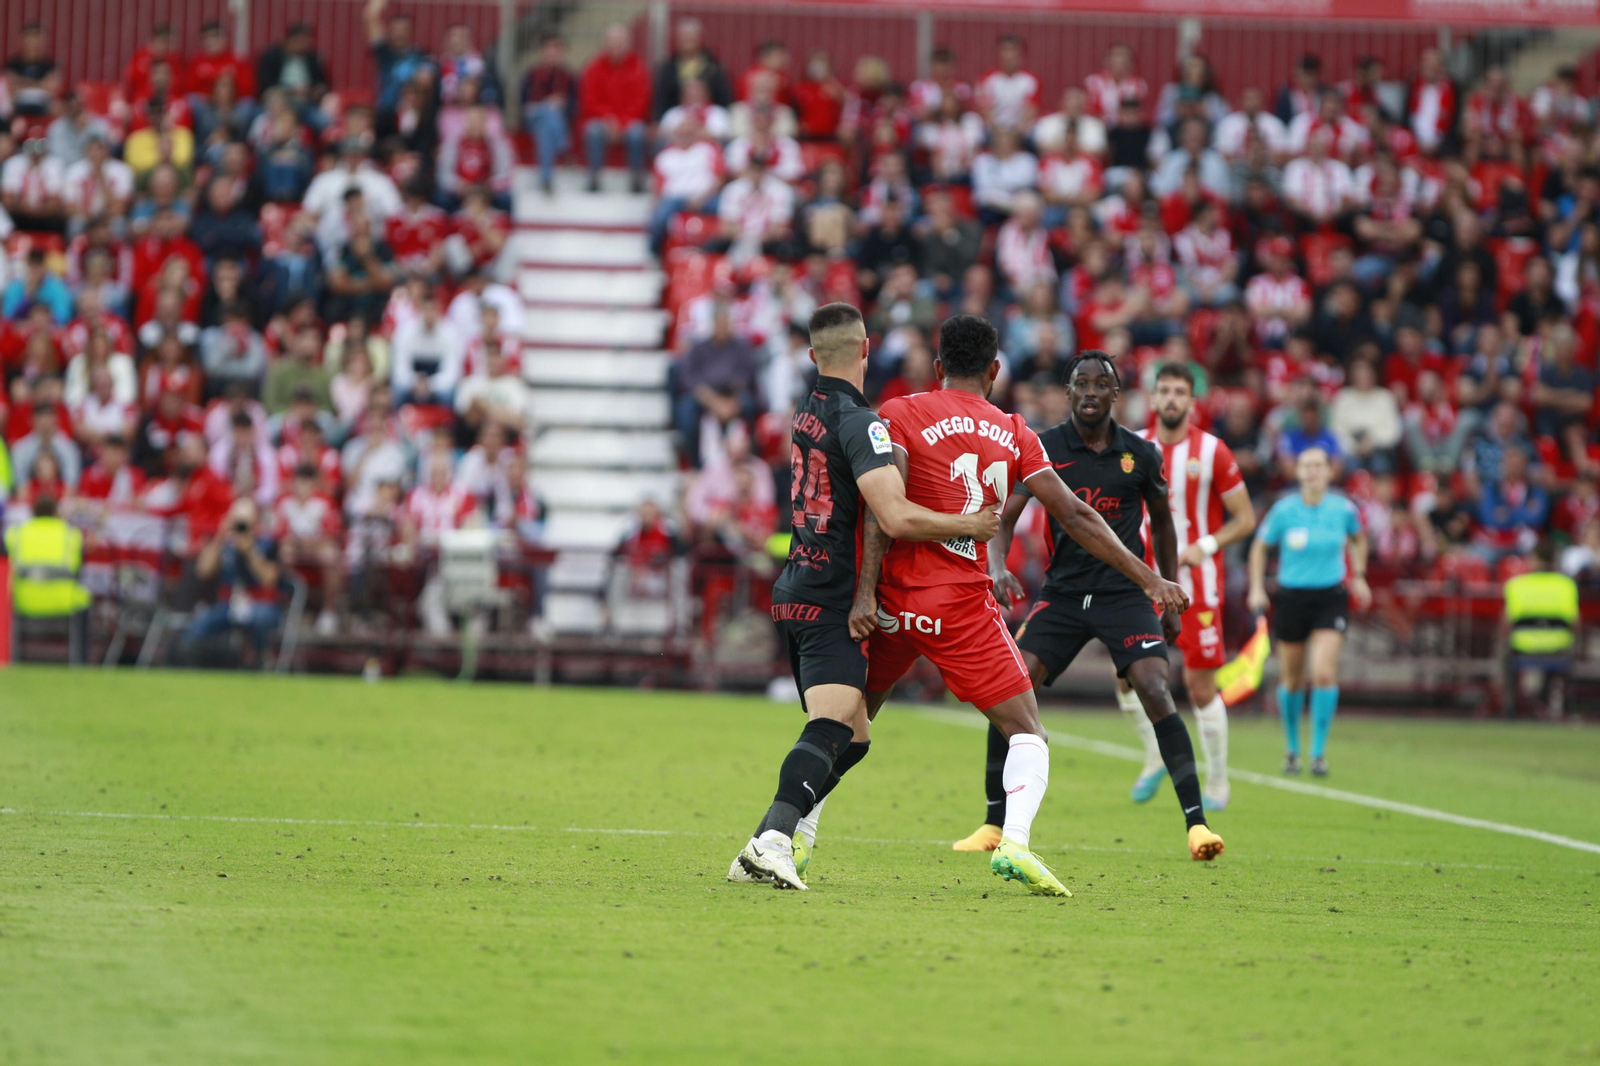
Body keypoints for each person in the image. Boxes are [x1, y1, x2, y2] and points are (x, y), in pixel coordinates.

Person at [848, 316, 1187, 892]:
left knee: (849, 727)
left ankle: (788, 835)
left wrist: (864, 592)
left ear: (937, 367)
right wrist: (1149, 577)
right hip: (958, 604)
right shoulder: (1015, 431)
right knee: (1028, 731)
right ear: (995, 370)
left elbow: (886, 512)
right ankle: (1016, 842)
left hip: (894, 602)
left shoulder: (900, 412)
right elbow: (1077, 515)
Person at [728, 303, 1001, 891]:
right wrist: (968, 525)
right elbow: (895, 515)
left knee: (854, 737)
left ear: (811, 357)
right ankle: (773, 842)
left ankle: (762, 838)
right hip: (830, 597)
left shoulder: (805, 410)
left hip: (794, 588)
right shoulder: (863, 423)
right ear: (867, 349)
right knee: (830, 728)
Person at [978, 351, 1224, 862]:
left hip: (1125, 595)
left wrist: (1168, 589)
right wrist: (997, 564)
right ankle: (992, 824)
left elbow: (1163, 523)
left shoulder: (1140, 454)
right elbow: (1005, 516)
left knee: (1156, 688)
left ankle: (1197, 826)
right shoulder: (1044, 448)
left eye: (1100, 385)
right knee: (1011, 686)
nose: (1090, 392)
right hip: (1063, 593)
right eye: (1080, 384)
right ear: (1068, 393)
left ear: (1117, 395)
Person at [1106, 363, 1257, 810]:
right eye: (1164, 391)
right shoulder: (1131, 447)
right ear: (1153, 399)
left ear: (1193, 402)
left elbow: (1245, 519)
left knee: (1200, 685)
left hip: (1198, 586)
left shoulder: (1214, 452)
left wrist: (1206, 544)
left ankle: (1217, 782)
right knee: (1125, 678)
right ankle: (1154, 757)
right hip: (1140, 582)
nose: (1172, 399)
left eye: (1180, 392)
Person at [1248, 446, 1371, 776]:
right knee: (1291, 678)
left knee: (1323, 672)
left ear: (1330, 472)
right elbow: (1260, 547)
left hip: (1331, 595)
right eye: (1306, 465)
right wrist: (1257, 586)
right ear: (1297, 472)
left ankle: (1318, 752)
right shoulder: (1284, 510)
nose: (1313, 471)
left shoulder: (1343, 508)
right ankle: (1292, 748)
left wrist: (1359, 576)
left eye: (1319, 465)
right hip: (1292, 596)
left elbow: (1359, 540)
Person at [5, 494, 92, 663]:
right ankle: (81, 661)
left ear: (32, 513)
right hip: (63, 602)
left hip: (23, 602)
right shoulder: (71, 534)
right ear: (56, 513)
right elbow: (78, 572)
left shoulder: (17, 533)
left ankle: (12, 659)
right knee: (86, 599)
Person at [579, 24, 651, 193]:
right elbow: (589, 100)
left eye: (620, 42)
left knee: (637, 132)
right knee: (592, 131)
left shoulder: (639, 69)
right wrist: (608, 119)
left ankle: (636, 178)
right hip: (602, 121)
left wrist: (622, 122)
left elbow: (640, 102)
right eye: (613, 42)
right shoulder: (593, 67)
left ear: (628, 44)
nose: (616, 46)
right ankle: (594, 177)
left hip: (629, 121)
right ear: (605, 44)